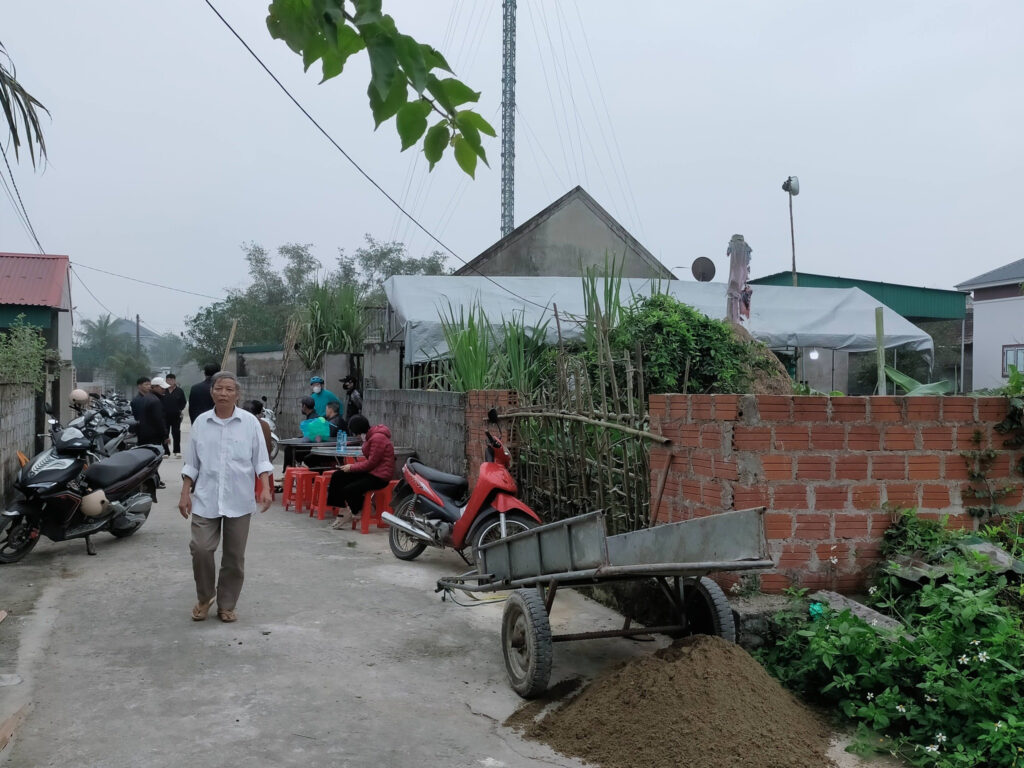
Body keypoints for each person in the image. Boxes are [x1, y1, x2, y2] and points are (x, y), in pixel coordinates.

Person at [179, 371, 274, 623]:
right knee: (200, 549)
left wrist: (265, 488)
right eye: (219, 388)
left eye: (229, 389)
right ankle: (205, 597)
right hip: (206, 497)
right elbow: (192, 463)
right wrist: (185, 493)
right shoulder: (201, 423)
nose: (224, 393)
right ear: (212, 392)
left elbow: (261, 459)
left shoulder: (250, 423)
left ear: (237, 394)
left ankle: (227, 604)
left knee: (234, 557)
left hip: (239, 499)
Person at [327, 415, 394, 530]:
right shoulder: (370, 436)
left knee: (349, 489)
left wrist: (352, 467)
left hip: (380, 477)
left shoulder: (378, 438)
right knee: (338, 476)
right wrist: (351, 468)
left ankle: (357, 510)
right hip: (372, 472)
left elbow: (371, 463)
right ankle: (344, 509)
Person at [131, 376, 167, 489]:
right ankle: (151, 480)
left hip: (146, 433)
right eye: (146, 384)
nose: (148, 386)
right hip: (150, 434)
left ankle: (154, 479)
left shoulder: (148, 398)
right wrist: (164, 435)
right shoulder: (146, 400)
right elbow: (157, 419)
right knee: (152, 459)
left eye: (148, 384)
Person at [164, 373, 187, 458]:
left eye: (172, 380)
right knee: (165, 433)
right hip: (164, 416)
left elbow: (183, 402)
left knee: (176, 433)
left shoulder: (179, 391)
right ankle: (166, 451)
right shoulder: (163, 390)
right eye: (168, 380)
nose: (170, 382)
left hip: (176, 416)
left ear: (175, 381)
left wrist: (179, 409)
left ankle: (177, 451)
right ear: (166, 380)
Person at [149, 377, 173, 456]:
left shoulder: (158, 397)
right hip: (154, 434)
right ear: (155, 387)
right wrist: (165, 436)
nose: (164, 390)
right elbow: (159, 419)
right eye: (162, 388)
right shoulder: (155, 400)